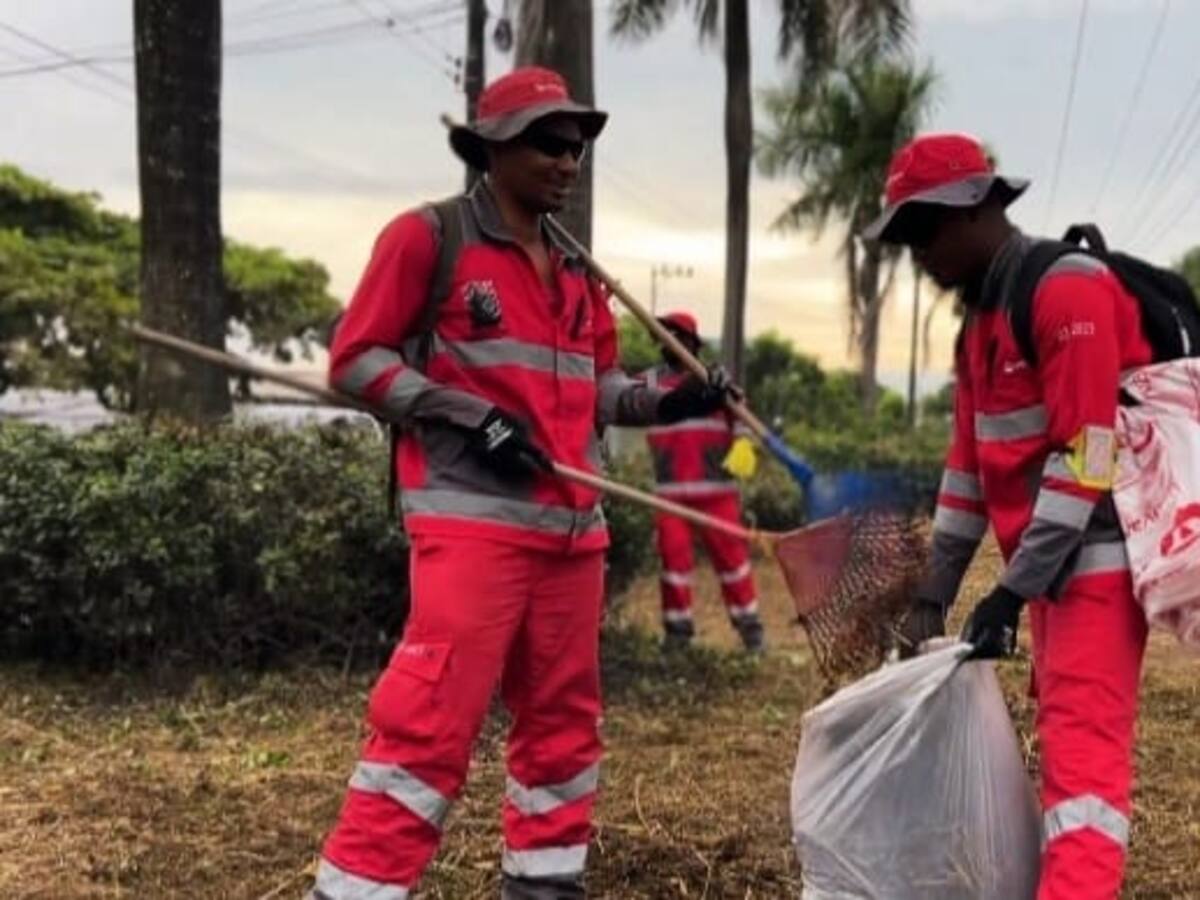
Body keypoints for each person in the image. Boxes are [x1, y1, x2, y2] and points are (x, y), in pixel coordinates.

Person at [307, 67, 734, 900]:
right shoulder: (429, 239)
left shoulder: (579, 271)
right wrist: (464, 414)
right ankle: (355, 890)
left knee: (564, 734)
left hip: (576, 536)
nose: (569, 161)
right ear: (493, 148)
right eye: (550, 143)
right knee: (428, 726)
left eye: (577, 146)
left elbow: (602, 390)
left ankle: (543, 887)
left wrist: (674, 399)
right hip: (475, 531)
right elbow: (355, 362)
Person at [872, 132, 1152, 900]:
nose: (915, 255)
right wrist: (935, 592)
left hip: (1096, 564)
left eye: (918, 232)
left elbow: (1089, 455)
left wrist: (1009, 591)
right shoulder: (979, 330)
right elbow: (966, 475)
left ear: (971, 209)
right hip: (1053, 577)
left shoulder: (1068, 292)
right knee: (1061, 755)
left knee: (1085, 782)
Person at [638, 310, 763, 652]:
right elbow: (625, 406)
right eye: (663, 335)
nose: (667, 341)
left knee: (733, 563)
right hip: (670, 494)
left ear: (691, 342)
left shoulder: (715, 382)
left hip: (717, 492)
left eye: (675, 335)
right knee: (673, 563)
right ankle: (678, 634)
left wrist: (743, 446)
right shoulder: (649, 382)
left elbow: (744, 422)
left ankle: (750, 630)